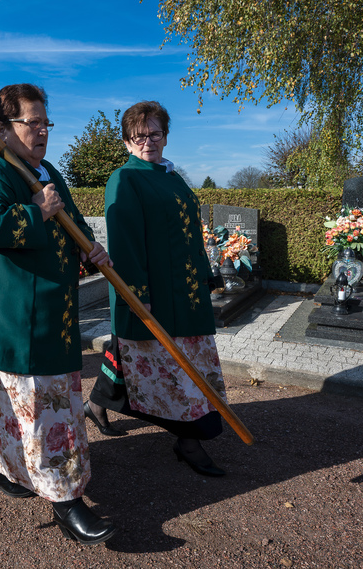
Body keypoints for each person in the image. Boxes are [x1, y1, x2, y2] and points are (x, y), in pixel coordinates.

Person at [0, 84, 117, 545]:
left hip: (53, 317)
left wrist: (89, 249)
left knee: (28, 410)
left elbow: (71, 222)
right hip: (11, 323)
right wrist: (36, 211)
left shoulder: (47, 171)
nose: (43, 131)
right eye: (34, 123)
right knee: (46, 415)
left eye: (47, 123)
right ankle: (67, 503)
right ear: (3, 129)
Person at [86, 100, 228, 478]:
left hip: (187, 292)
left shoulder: (172, 175)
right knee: (174, 370)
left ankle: (98, 402)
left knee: (159, 359)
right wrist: (138, 296)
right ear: (127, 142)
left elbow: (190, 233)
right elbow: (126, 242)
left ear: (165, 136)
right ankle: (188, 440)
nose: (147, 140)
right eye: (138, 135)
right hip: (155, 294)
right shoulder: (125, 178)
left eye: (154, 133)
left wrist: (207, 274)